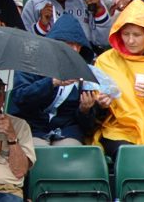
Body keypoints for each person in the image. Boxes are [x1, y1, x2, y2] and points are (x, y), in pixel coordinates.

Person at [9, 15, 107, 146]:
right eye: (67, 44)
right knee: (37, 150)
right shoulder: (29, 65)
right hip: (33, 127)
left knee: (69, 150)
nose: (73, 50)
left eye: (77, 46)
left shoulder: (86, 74)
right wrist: (52, 82)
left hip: (67, 131)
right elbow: (20, 98)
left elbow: (88, 126)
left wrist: (85, 110)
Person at [92, 0, 144, 160]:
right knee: (130, 155)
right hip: (120, 130)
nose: (130, 40)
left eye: (137, 35)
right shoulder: (106, 61)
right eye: (126, 34)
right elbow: (94, 106)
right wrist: (100, 103)